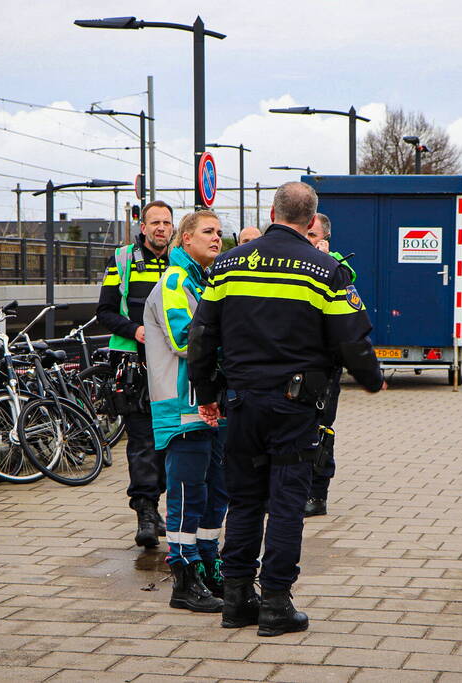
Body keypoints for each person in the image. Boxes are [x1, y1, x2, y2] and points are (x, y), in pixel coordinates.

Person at [188, 181, 385, 637]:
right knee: (287, 505)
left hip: (240, 404)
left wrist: (206, 393)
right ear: (311, 221)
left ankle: (236, 601)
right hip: (295, 408)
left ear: (272, 211)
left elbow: (202, 335)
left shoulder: (227, 265)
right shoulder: (324, 269)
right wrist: (373, 381)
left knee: (244, 502)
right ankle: (276, 604)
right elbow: (351, 338)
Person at [144, 210, 228, 613]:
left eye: (219, 233)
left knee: (215, 493)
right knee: (186, 493)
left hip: (205, 404)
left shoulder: (202, 279)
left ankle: (209, 565)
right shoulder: (176, 281)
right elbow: (184, 339)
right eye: (208, 232)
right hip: (182, 406)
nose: (218, 238)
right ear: (186, 239)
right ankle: (183, 576)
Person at [96, 200, 173, 549]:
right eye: (154, 222)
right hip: (134, 366)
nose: (160, 228)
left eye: (166, 222)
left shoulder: (179, 262)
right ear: (142, 228)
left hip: (172, 366)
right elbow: (105, 312)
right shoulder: (124, 260)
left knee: (167, 442)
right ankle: (144, 512)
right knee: (142, 442)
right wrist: (135, 330)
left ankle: (154, 504)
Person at [301, 212, 355, 517]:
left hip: (324, 367)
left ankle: (317, 494)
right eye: (305, 234)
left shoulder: (337, 268)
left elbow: (347, 290)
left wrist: (327, 262)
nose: (307, 240)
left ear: (325, 241)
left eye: (313, 235)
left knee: (320, 428)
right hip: (294, 361)